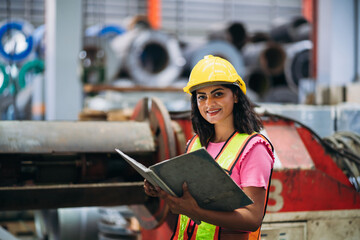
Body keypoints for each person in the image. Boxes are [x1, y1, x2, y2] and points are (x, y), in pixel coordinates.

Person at [144, 55, 274, 240]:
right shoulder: (196, 143)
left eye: (218, 94)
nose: (209, 104)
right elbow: (187, 196)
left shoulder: (254, 148)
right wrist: (161, 187)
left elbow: (252, 218)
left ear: (236, 95)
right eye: (201, 97)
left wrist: (196, 212)